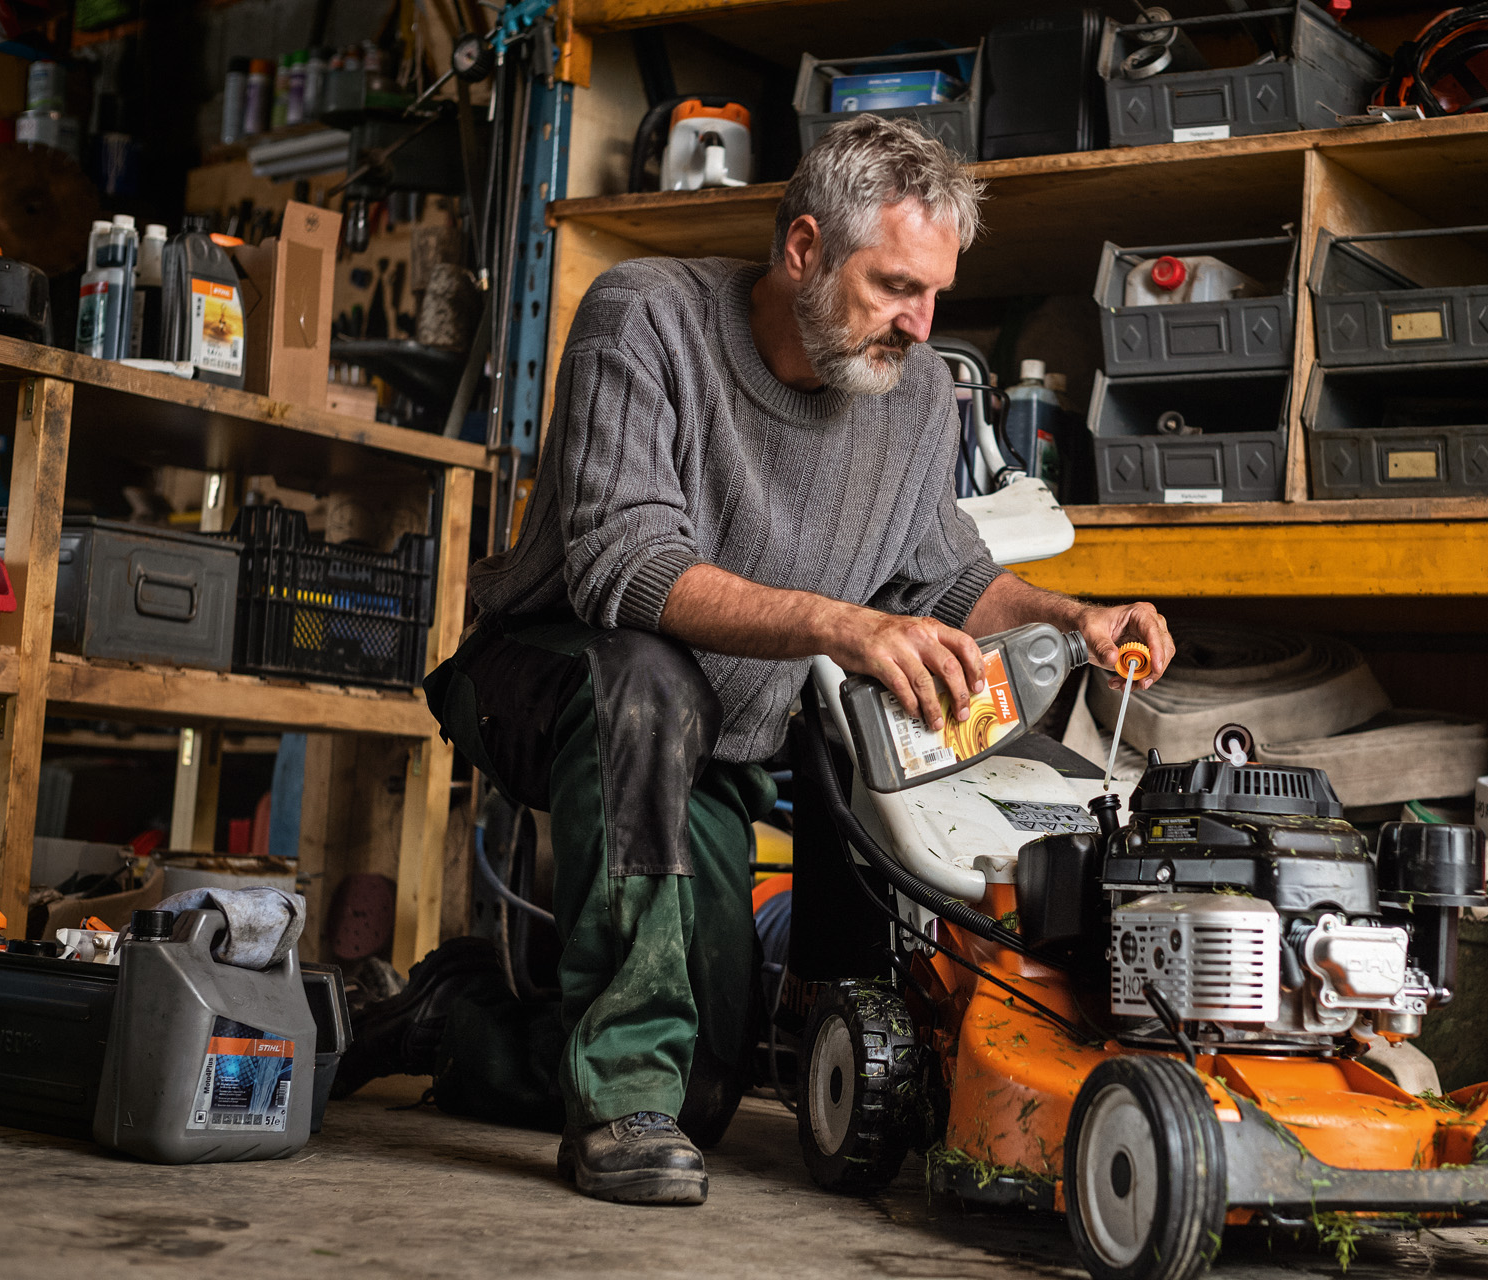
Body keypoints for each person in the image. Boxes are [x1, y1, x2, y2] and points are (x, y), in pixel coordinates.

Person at [336, 114, 1175, 1207]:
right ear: (804, 249)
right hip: (555, 680)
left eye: (936, 294)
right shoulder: (644, 317)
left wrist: (1074, 616)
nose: (922, 325)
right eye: (893, 286)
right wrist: (842, 623)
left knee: (704, 1092)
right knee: (646, 677)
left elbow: (948, 577)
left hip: (715, 742)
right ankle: (614, 1104)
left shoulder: (916, 393)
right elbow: (623, 569)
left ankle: (457, 1020)